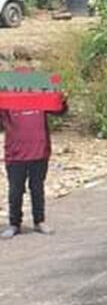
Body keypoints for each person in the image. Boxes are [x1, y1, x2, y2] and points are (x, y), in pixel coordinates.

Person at [1, 93, 67, 239]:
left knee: (37, 188)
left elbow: (59, 111)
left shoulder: (39, 98)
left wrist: (61, 100)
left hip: (40, 152)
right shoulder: (6, 100)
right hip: (15, 154)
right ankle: (14, 224)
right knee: (15, 190)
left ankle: (39, 221)